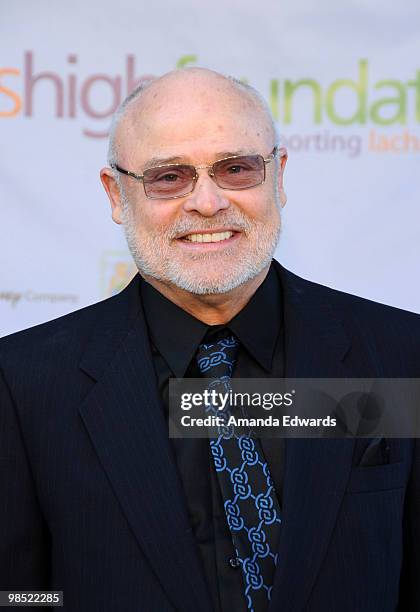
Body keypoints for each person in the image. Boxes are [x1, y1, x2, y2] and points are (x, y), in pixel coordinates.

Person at [0, 67, 419, 612]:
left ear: (279, 176)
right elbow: (17, 595)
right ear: (116, 194)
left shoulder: (400, 355)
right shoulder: (24, 382)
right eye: (169, 177)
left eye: (236, 169)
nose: (206, 202)